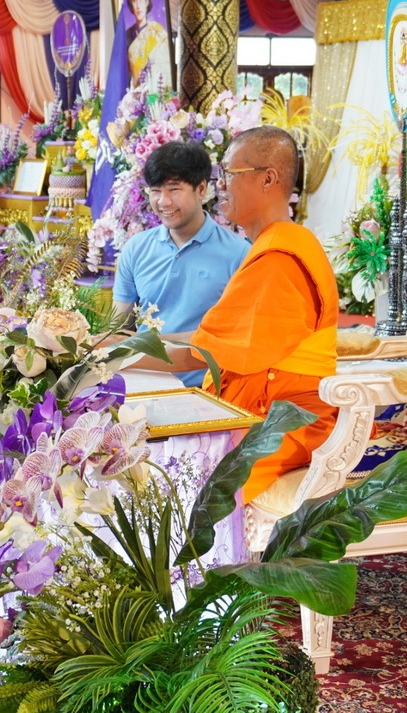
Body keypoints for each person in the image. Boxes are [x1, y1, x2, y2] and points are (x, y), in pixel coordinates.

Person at [133, 127, 338, 503]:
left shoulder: (279, 258)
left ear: (268, 179)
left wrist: (113, 355)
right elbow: (214, 338)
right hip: (264, 406)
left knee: (178, 481)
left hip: (288, 419)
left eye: (229, 173)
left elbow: (203, 353)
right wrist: (130, 343)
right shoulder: (273, 245)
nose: (220, 185)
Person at [112, 140, 248, 386]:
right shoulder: (136, 248)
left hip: (205, 388)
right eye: (155, 190)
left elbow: (234, 338)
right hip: (139, 383)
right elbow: (119, 329)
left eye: (174, 189)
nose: (163, 201)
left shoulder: (239, 254)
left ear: (201, 189)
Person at [124, 0, 172, 91]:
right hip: (134, 97)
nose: (138, 6)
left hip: (157, 95)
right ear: (130, 3)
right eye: (134, 0)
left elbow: (166, 69)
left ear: (147, 1)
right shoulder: (126, 36)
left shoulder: (158, 32)